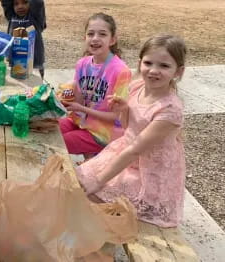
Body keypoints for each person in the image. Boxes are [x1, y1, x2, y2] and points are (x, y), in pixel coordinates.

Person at [77, 34, 187, 227]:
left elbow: (136, 148)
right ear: (139, 63)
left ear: (178, 71)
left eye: (164, 66)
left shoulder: (170, 110)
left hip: (150, 171)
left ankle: (101, 245)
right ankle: (97, 240)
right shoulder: (137, 86)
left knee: (95, 193)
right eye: (148, 63)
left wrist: (100, 180)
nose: (153, 71)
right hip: (126, 153)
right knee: (81, 183)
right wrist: (123, 110)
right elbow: (130, 128)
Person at [59, 13, 132, 159]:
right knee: (48, 129)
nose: (95, 38)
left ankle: (91, 159)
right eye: (90, 33)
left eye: (102, 34)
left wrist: (81, 108)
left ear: (112, 40)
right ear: (84, 38)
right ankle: (89, 159)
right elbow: (78, 102)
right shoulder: (82, 64)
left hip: (104, 132)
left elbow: (115, 117)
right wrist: (65, 98)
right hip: (81, 121)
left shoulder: (121, 71)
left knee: (58, 144)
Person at [0, 0, 46, 78]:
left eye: (25, 2)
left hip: (34, 64)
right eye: (16, 3)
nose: (20, 6)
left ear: (31, 2)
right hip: (15, 63)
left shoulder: (35, 17)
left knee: (34, 93)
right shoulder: (12, 16)